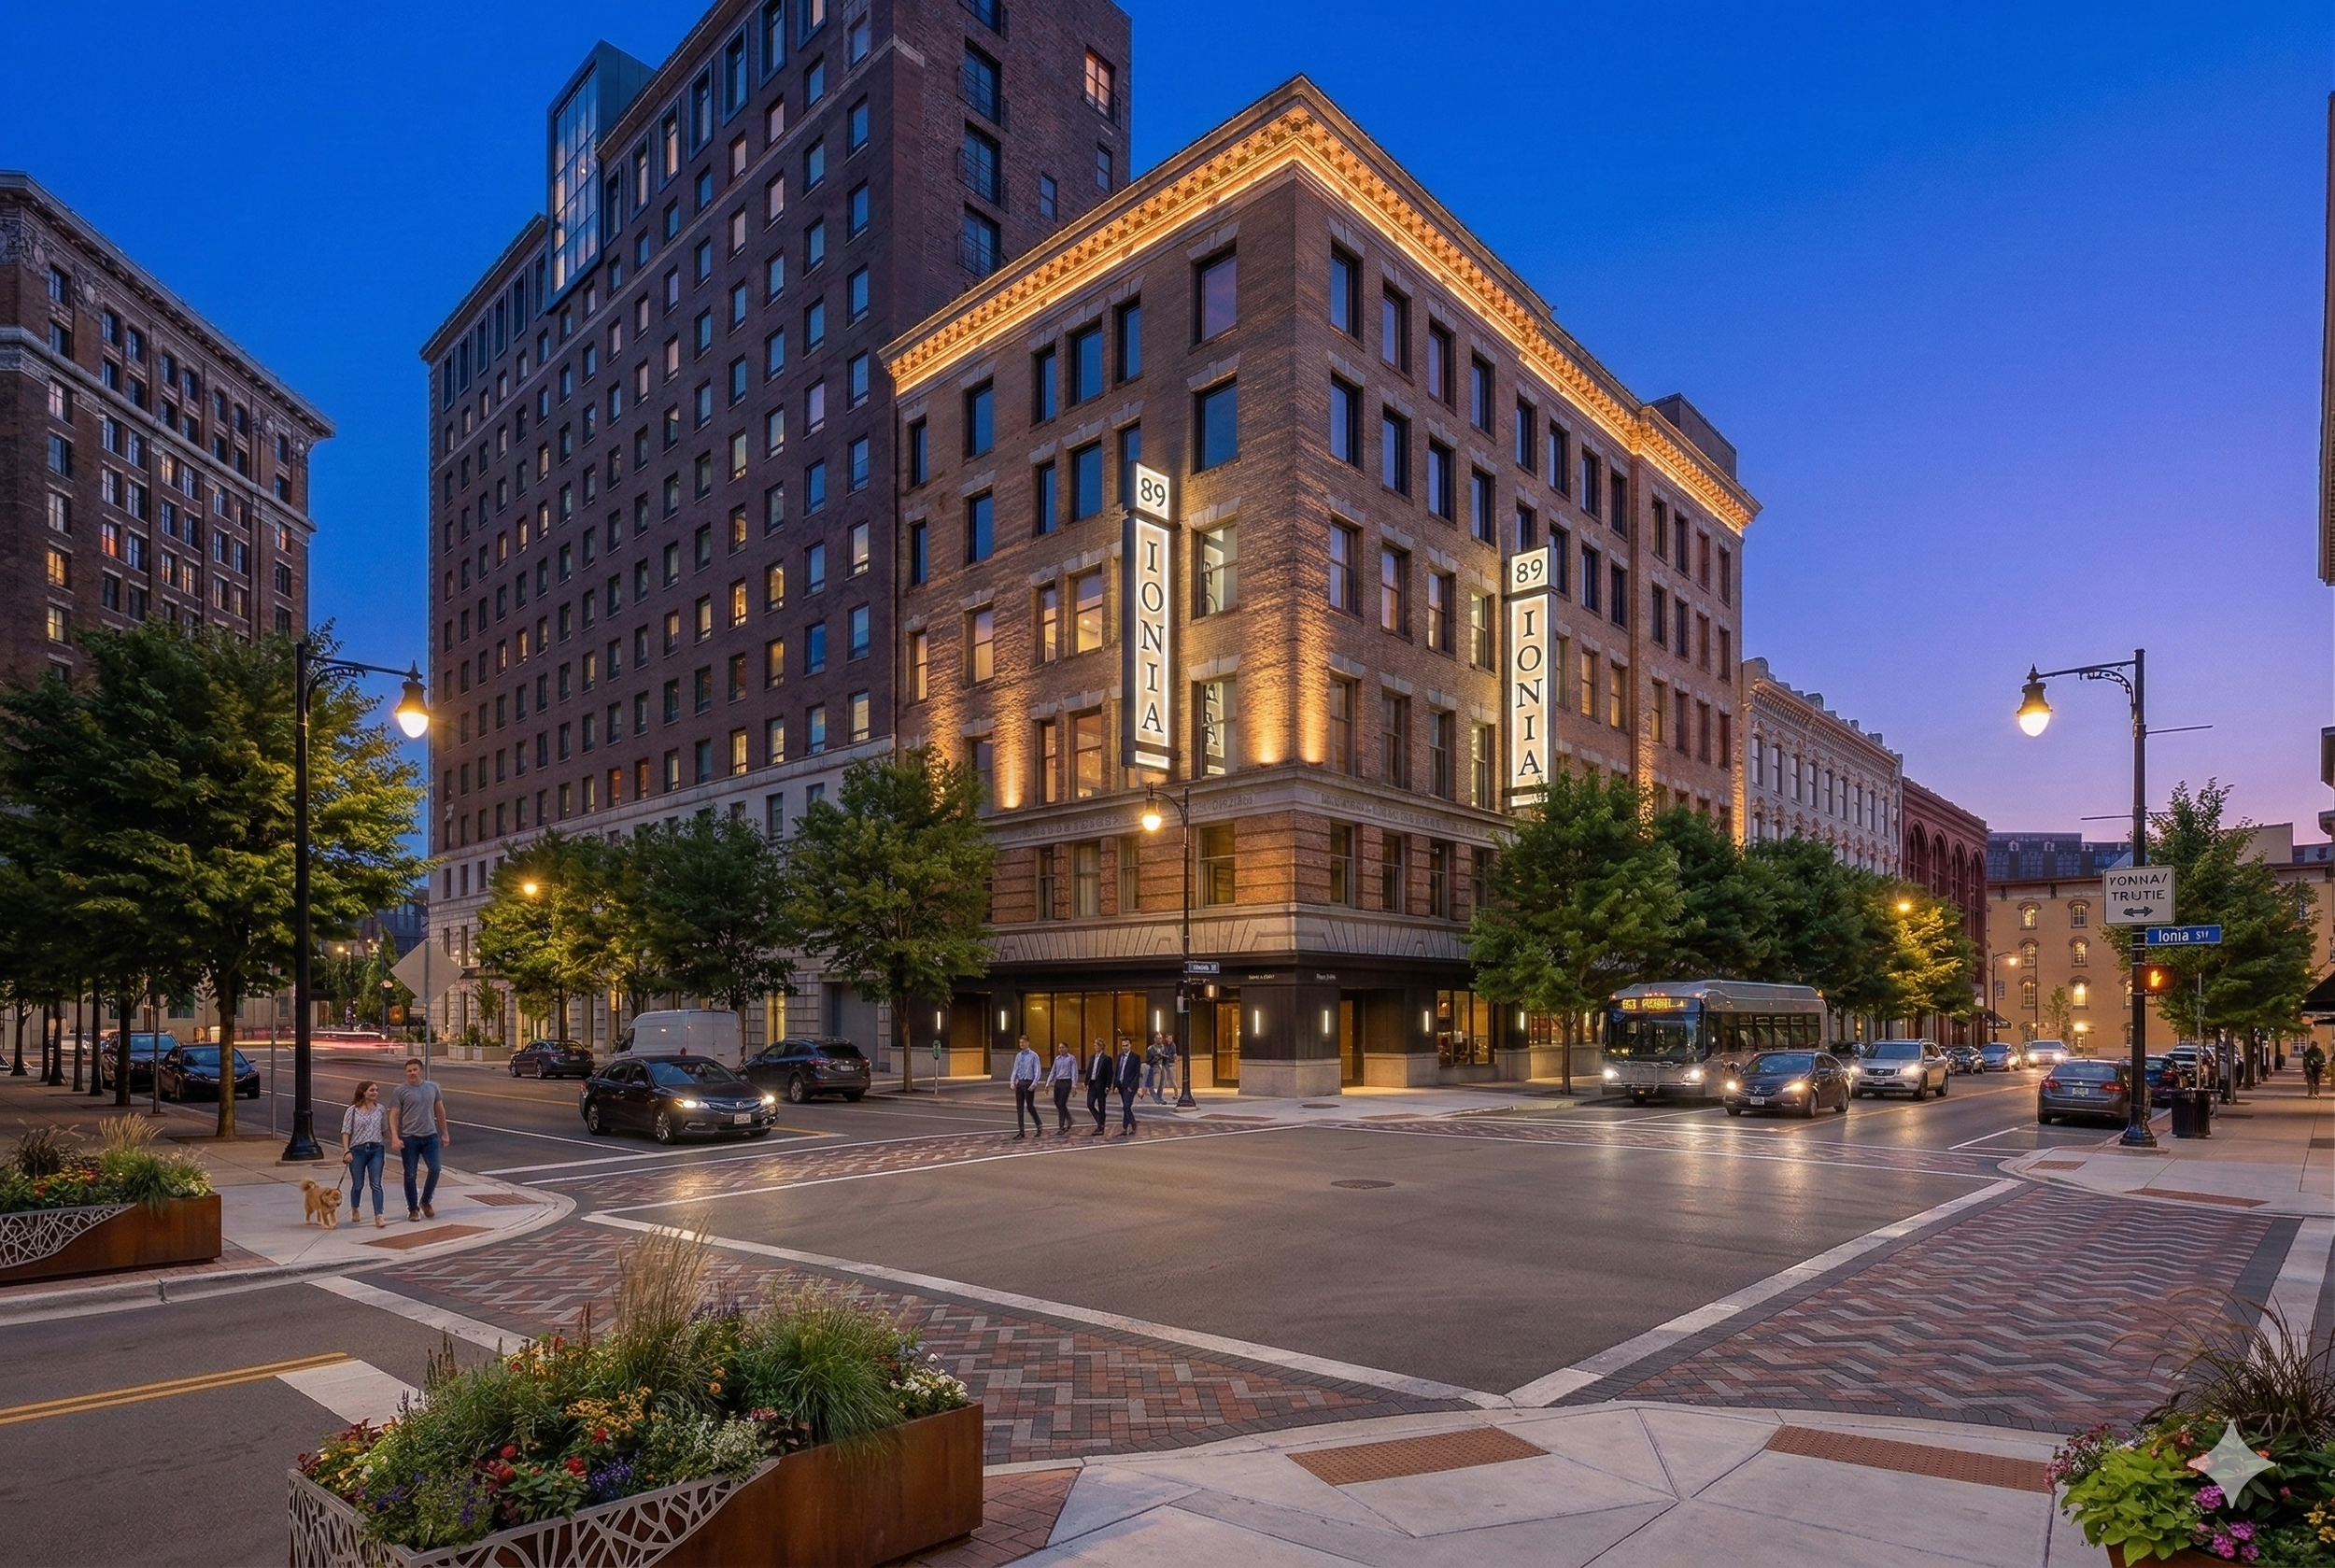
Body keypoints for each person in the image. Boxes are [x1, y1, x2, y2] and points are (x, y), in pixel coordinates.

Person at [388, 1057, 449, 1221]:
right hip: (409, 1139)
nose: (412, 1073)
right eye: (409, 1071)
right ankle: (413, 1209)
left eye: (414, 1070)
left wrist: (445, 1133)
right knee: (410, 1175)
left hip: (430, 1136)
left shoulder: (433, 1087)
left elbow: (440, 1111)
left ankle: (426, 1201)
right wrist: (395, 1136)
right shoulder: (400, 1091)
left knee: (435, 1168)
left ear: (420, 1070)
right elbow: (394, 1114)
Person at [340, 1081, 389, 1229]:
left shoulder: (380, 1109)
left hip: (376, 1149)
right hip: (358, 1151)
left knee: (376, 1184)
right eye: (371, 1090)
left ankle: (379, 1215)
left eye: (376, 1090)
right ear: (363, 1092)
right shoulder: (352, 1111)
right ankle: (355, 1208)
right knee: (358, 1184)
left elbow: (384, 1130)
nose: (374, 1093)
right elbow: (345, 1132)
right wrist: (346, 1151)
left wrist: (396, 1140)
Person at [1010, 1035, 1043, 1138]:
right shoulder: (1019, 1056)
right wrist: (1012, 1081)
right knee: (1019, 1107)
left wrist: (1035, 1083)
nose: (1021, 1044)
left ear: (1028, 1043)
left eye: (1023, 1042)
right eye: (1020, 1043)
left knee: (1029, 1106)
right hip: (1020, 1082)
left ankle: (1039, 1125)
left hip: (1029, 1082)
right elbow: (1016, 1069)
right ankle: (1021, 1131)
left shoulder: (1034, 1056)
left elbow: (1037, 1070)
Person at [1084, 1036, 1114, 1135]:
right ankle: (1100, 1121)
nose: (1095, 1047)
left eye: (1096, 1045)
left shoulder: (1107, 1059)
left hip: (1101, 1084)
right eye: (1094, 1045)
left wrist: (1108, 1086)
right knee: (1090, 1103)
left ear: (1101, 1046)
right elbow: (1089, 1070)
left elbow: (1110, 1073)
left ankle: (1101, 1126)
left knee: (1101, 1105)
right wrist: (1086, 1082)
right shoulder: (1092, 1057)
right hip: (1092, 1083)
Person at [1049, 1041, 1078, 1132]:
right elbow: (1053, 1071)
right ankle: (1069, 1119)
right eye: (1059, 1048)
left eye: (1062, 1047)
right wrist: (1048, 1083)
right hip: (1058, 1082)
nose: (1061, 1049)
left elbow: (1074, 1072)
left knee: (1061, 1103)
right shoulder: (1057, 1059)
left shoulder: (1071, 1058)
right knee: (1057, 1102)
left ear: (1067, 1048)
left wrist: (1074, 1085)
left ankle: (1061, 1125)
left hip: (1066, 1081)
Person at [1115, 1036, 1140, 1133]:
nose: (1124, 1047)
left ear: (1130, 1045)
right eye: (1123, 1046)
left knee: (1126, 1106)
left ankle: (1131, 1123)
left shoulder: (1135, 1057)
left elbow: (1137, 1073)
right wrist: (1116, 1085)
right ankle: (1125, 1127)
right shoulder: (1120, 1057)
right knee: (1125, 1106)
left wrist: (1132, 1086)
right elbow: (1117, 1071)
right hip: (1121, 1085)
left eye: (1126, 1045)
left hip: (1130, 1086)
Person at [1153, 1032, 1177, 1103]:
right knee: (1163, 1080)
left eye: (1170, 1038)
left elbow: (1175, 1055)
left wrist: (1175, 1061)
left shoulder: (1173, 1046)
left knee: (1172, 1080)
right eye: (1167, 1038)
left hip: (1170, 1064)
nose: (1168, 1039)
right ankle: (1159, 1094)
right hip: (1165, 1064)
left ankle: (1176, 1093)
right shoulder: (1165, 1046)